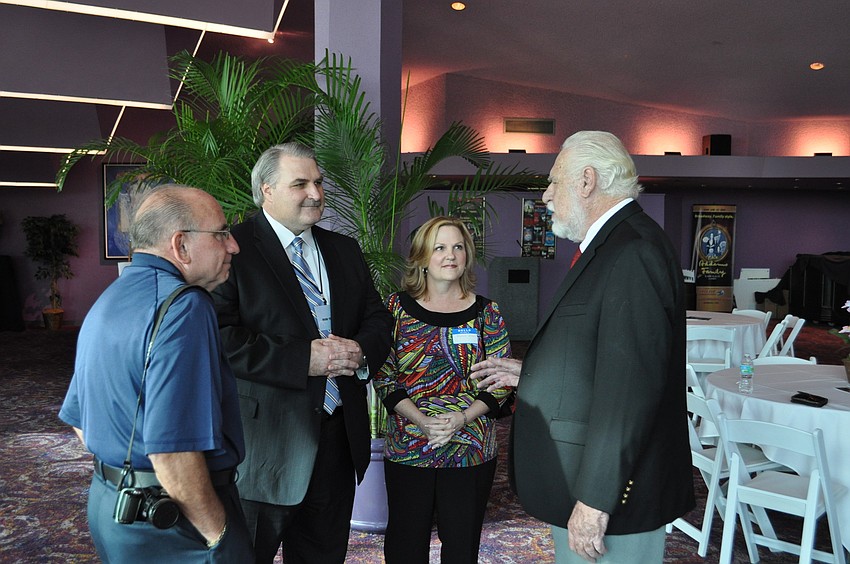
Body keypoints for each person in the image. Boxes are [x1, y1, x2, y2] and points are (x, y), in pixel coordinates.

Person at [471, 131, 694, 563]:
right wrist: (532, 372)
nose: (546, 193)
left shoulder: (632, 252)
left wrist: (595, 501)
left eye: (555, 181)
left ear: (587, 181)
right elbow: (603, 357)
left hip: (610, 500)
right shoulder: (615, 244)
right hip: (588, 485)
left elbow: (630, 392)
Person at [212, 142, 393, 563]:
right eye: (300, 184)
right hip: (264, 448)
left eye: (318, 182)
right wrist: (302, 360)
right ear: (266, 190)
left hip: (336, 440)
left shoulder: (343, 249)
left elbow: (378, 319)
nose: (315, 193)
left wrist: (361, 350)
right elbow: (219, 337)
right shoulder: (233, 249)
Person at [59, 185, 253, 562]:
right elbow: (173, 453)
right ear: (181, 245)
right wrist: (219, 537)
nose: (234, 246)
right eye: (221, 233)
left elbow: (79, 419)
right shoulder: (185, 308)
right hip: (173, 522)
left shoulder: (110, 298)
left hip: (111, 505)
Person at [373, 216, 513, 564]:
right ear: (421, 257)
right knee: (405, 546)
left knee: (462, 548)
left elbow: (502, 382)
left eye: (457, 247)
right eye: (439, 247)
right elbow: (384, 376)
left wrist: (463, 417)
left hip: (471, 449)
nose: (450, 255)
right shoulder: (395, 310)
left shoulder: (487, 314)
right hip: (409, 446)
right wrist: (421, 420)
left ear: (467, 255)